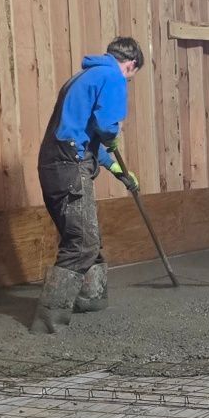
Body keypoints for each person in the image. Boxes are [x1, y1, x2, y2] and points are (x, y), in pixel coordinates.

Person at [31, 36, 144, 334]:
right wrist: (113, 134)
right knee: (82, 242)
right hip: (69, 166)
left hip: (54, 165)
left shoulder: (83, 77)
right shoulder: (113, 75)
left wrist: (119, 168)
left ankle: (91, 296)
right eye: (132, 76)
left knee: (85, 232)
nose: (128, 80)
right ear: (130, 66)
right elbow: (106, 128)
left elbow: (88, 135)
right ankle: (49, 321)